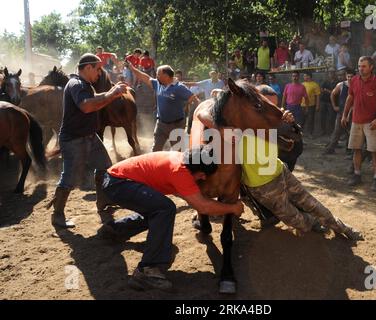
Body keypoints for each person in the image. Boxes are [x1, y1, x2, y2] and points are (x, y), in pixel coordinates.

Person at [196, 95, 363, 241]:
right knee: (299, 222)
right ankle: (315, 222)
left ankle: (344, 228)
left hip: (279, 171)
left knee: (313, 203)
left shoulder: (262, 120)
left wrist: (289, 120)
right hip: (262, 187)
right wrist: (220, 128)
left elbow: (293, 138)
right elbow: (201, 114)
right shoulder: (233, 129)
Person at [99, 145, 244, 291]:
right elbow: (203, 207)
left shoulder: (183, 160)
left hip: (115, 180)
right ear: (195, 169)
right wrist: (232, 208)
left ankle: (116, 229)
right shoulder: (180, 172)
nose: (204, 178)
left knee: (158, 209)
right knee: (165, 208)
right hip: (118, 184)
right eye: (202, 174)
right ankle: (147, 270)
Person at [46, 53, 128, 229]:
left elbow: (93, 100)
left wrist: (110, 94)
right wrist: (112, 94)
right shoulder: (76, 84)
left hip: (89, 136)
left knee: (105, 168)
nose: (100, 73)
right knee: (70, 178)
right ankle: (57, 215)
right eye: (98, 69)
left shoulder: (84, 85)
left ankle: (104, 206)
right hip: (74, 139)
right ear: (88, 67)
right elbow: (86, 106)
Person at [341, 56, 376, 191]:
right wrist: (345, 115)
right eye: (359, 66)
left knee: (374, 151)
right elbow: (350, 97)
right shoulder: (355, 80)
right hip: (356, 121)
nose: (360, 69)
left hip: (371, 123)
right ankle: (357, 174)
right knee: (356, 149)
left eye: (363, 66)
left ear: (371, 67)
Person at [128, 63, 200, 152]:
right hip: (161, 124)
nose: (156, 76)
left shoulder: (179, 88)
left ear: (166, 76)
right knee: (155, 150)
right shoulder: (158, 84)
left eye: (158, 74)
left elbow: (195, 99)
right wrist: (132, 69)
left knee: (177, 152)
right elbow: (144, 77)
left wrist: (196, 116)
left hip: (176, 125)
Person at [323, 68, 355, 155]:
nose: (349, 78)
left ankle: (349, 150)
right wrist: (334, 106)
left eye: (351, 77)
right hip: (341, 112)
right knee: (337, 131)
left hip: (353, 113)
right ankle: (331, 148)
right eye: (348, 76)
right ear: (346, 76)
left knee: (351, 132)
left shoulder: (357, 86)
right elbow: (332, 94)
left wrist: (349, 114)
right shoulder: (341, 85)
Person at [301, 72, 321, 138]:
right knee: (301, 120)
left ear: (309, 76)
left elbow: (317, 96)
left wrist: (317, 105)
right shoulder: (302, 84)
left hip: (311, 105)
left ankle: (310, 133)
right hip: (302, 105)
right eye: (304, 76)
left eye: (305, 76)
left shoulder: (315, 85)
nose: (304, 77)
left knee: (310, 120)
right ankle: (301, 133)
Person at [320, 68, 338, 136]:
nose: (331, 74)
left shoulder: (337, 82)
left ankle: (331, 132)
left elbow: (335, 93)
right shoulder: (325, 81)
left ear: (334, 73)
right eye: (330, 72)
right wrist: (329, 91)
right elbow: (321, 89)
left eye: (332, 72)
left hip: (331, 102)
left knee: (331, 118)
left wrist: (327, 91)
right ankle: (323, 131)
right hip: (323, 101)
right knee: (322, 117)